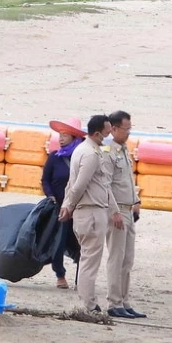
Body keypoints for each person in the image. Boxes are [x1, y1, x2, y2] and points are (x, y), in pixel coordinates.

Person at [58, 114, 119, 314]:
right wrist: (69, 206)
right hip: (91, 211)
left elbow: (76, 184)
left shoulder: (82, 150)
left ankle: (87, 300)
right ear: (96, 133)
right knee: (90, 259)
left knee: (87, 257)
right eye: (106, 133)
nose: (108, 137)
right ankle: (88, 303)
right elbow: (79, 185)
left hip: (89, 210)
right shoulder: (91, 154)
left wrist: (68, 204)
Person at [105, 110, 144, 319]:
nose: (128, 133)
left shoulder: (123, 149)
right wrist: (114, 211)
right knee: (116, 257)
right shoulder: (107, 150)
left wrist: (136, 200)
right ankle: (113, 302)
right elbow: (106, 184)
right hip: (117, 210)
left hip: (129, 209)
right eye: (126, 129)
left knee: (127, 259)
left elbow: (127, 180)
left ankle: (124, 300)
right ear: (114, 128)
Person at [42, 117, 86, 290]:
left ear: (74, 137)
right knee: (58, 242)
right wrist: (51, 196)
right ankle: (60, 275)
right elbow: (45, 180)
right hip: (59, 207)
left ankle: (81, 279)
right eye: (59, 135)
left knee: (81, 244)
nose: (60, 138)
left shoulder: (83, 157)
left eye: (65, 135)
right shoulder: (54, 157)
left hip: (80, 207)